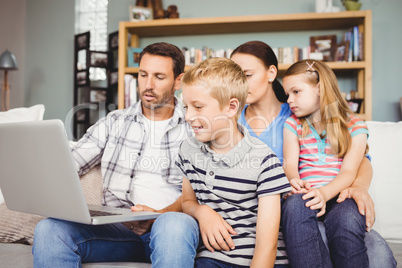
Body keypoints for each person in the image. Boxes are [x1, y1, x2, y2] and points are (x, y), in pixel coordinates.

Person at [230, 41, 396, 267]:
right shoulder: (229, 122)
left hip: (326, 201)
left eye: (247, 75)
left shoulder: (298, 113)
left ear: (271, 73)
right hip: (276, 213)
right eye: (234, 76)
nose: (239, 83)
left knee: (378, 255)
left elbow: (360, 162)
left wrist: (359, 187)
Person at [32, 42, 193, 267]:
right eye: (143, 74)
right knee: (50, 229)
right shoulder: (114, 121)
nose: (148, 85)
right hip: (120, 229)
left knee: (173, 226)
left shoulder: (194, 126)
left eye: (159, 77)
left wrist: (160, 214)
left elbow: (201, 192)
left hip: (170, 228)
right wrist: (36, 161)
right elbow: (71, 163)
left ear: (178, 81)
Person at [176, 57, 291, 267]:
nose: (188, 116)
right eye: (186, 107)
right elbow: (188, 202)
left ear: (231, 107)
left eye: (198, 107)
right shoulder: (188, 150)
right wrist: (202, 211)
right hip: (212, 259)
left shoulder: (264, 160)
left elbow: (267, 246)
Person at [282, 59, 369, 267]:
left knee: (347, 221)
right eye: (287, 95)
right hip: (308, 192)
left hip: (340, 194)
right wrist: (294, 180)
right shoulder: (292, 124)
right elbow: (290, 165)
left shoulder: (355, 125)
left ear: (320, 88)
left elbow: (349, 172)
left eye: (296, 92)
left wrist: (325, 193)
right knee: (294, 206)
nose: (289, 100)